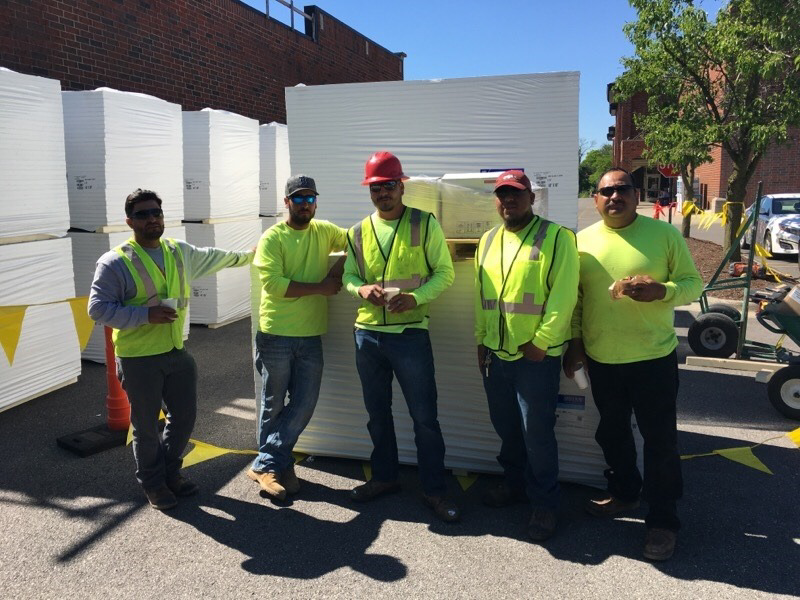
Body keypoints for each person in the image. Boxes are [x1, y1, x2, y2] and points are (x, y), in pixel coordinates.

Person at [563, 167, 703, 561]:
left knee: (660, 442)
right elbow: (578, 299)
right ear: (595, 199)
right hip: (602, 358)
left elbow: (694, 284)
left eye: (622, 189)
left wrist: (664, 291)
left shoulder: (664, 235)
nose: (614, 197)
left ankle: (662, 521)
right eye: (605, 191)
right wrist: (576, 343)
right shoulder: (582, 243)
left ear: (635, 193)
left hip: (653, 358)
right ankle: (625, 492)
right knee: (611, 433)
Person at [88, 189, 253, 510]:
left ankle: (169, 471)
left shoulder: (179, 252)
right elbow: (97, 309)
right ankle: (153, 483)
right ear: (129, 221)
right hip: (138, 359)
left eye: (156, 213)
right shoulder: (115, 262)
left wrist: (251, 254)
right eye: (143, 214)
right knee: (146, 426)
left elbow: (216, 256)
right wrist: (143, 315)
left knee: (185, 417)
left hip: (176, 352)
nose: (152, 219)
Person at [342, 151, 459, 522]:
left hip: (410, 335)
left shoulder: (425, 224)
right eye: (375, 187)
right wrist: (360, 290)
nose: (382, 194)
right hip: (368, 337)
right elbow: (348, 276)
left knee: (425, 417)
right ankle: (385, 478)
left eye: (388, 185)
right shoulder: (358, 231)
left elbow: (445, 273)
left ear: (401, 185)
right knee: (377, 415)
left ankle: (435, 490)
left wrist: (415, 298)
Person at [474, 170, 579, 542]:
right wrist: (481, 340)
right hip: (497, 355)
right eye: (502, 194)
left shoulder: (557, 237)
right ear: (496, 200)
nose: (509, 200)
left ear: (531, 197)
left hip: (535, 357)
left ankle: (545, 505)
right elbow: (482, 298)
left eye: (516, 193)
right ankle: (514, 485)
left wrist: (543, 342)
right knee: (506, 429)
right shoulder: (487, 241)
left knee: (537, 434)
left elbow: (564, 295)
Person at [246, 175, 347, 501]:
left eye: (310, 198)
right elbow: (274, 284)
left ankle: (268, 462)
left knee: (304, 403)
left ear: (316, 202)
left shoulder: (325, 231)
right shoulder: (273, 237)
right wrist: (322, 287)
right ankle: (276, 466)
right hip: (276, 333)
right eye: (298, 199)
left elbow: (359, 241)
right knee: (274, 405)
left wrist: (340, 267)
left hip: (310, 334)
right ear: (286, 203)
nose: (305, 204)